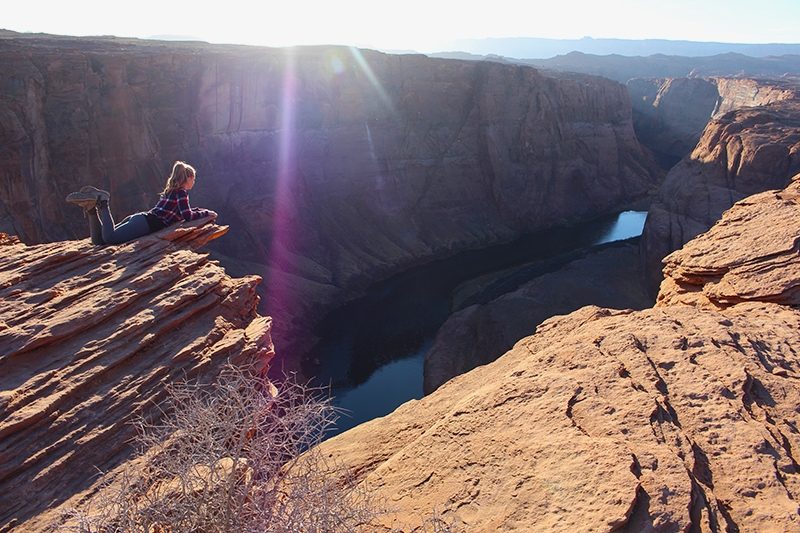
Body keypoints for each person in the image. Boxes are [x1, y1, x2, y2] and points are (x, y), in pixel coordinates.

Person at [66, 161, 217, 245]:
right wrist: (205, 213)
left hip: (140, 219)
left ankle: (91, 208)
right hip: (145, 225)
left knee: (99, 241)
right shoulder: (181, 193)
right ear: (189, 178)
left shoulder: (171, 190)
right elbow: (187, 215)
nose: (194, 182)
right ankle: (103, 202)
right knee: (110, 239)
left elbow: (183, 211)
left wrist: (198, 210)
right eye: (193, 179)